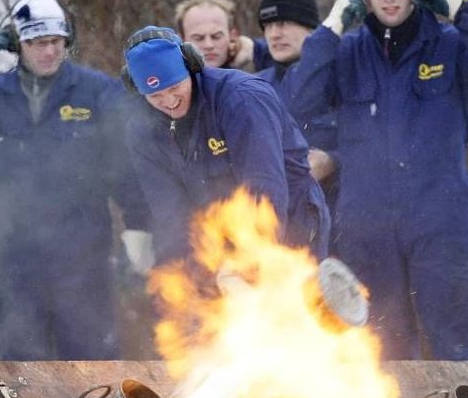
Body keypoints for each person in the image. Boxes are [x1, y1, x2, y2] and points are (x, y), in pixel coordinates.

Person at [286, 0, 468, 360]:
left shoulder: (449, 45)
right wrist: (329, 30)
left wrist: (464, 11)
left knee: (460, 342)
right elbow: (299, 102)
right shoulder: (347, 53)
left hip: (442, 219)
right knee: (380, 346)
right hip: (367, 227)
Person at [0, 0, 151, 361]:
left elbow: (127, 165)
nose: (49, 52)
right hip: (14, 259)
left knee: (89, 369)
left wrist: (139, 232)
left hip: (83, 257)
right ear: (19, 44)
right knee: (18, 371)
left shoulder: (96, 91)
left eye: (55, 42)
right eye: (37, 43)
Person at [122, 26, 330, 265]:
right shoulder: (142, 130)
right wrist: (188, 273)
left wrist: (250, 260)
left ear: (190, 67)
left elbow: (264, 187)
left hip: (290, 222)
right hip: (216, 236)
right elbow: (170, 212)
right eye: (155, 96)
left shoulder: (241, 99)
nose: (169, 101)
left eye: (175, 87)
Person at [254, 0, 339, 201]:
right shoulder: (254, 88)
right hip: (275, 220)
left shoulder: (342, 78)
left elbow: (373, 145)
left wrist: (333, 161)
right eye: (267, 26)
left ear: (310, 27)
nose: (274, 34)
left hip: (337, 214)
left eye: (282, 23)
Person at [175, 0, 269, 72]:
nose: (209, 45)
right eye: (198, 38)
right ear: (181, 39)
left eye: (216, 37)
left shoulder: (253, 76)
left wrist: (256, 50)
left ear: (232, 35)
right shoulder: (167, 84)